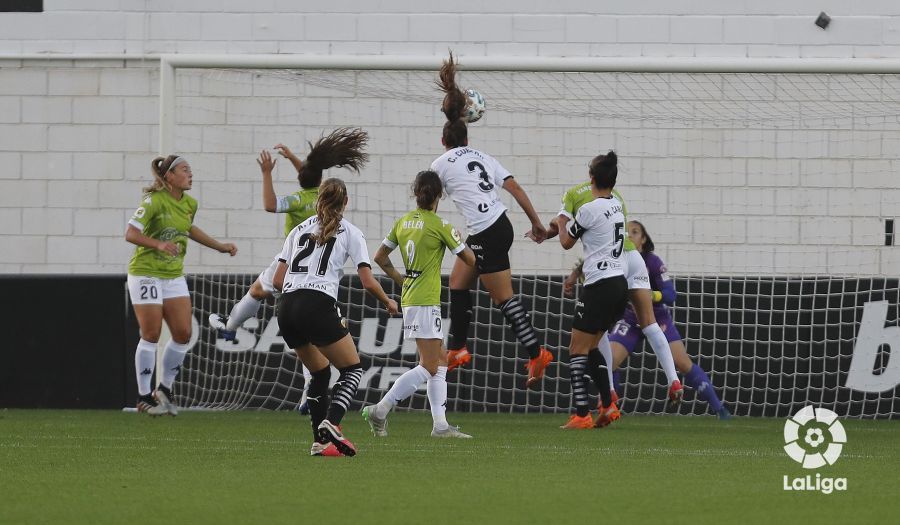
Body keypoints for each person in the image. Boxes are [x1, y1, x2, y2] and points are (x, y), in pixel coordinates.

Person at [209, 128, 369, 413]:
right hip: (321, 274)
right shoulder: (329, 202)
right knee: (314, 337)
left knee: (258, 292)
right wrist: (297, 159)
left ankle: (229, 326)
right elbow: (311, 178)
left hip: (292, 265)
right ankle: (309, 393)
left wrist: (267, 173)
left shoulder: (298, 200)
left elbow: (271, 205)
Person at [432, 52, 553, 388]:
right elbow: (515, 188)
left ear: (444, 142)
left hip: (486, 232)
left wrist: (431, 231)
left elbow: (429, 200)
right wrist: (538, 224)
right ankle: (457, 348)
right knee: (458, 282)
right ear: (467, 137)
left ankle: (536, 352)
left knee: (503, 298)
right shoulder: (484, 157)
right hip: (496, 226)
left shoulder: (439, 164)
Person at [274, 178, 399, 457]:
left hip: (286, 306)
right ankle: (332, 422)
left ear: (319, 199)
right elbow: (367, 282)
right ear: (346, 202)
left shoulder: (297, 230)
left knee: (319, 373)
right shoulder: (351, 232)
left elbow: (277, 279)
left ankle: (321, 443)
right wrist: (388, 301)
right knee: (352, 369)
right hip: (315, 304)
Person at [547, 169, 683, 428]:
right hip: (631, 259)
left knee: (591, 340)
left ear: (591, 176)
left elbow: (563, 229)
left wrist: (548, 231)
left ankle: (605, 396)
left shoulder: (575, 195)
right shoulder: (615, 197)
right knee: (648, 322)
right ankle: (672, 379)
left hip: (609, 268)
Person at [364, 170, 477, 439]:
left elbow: (380, 257)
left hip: (412, 296)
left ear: (416, 193)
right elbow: (470, 260)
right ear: (439, 195)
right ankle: (381, 408)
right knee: (428, 365)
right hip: (426, 301)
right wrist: (460, 238)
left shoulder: (402, 223)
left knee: (440, 360)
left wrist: (399, 279)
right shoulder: (440, 225)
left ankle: (440, 425)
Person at [126, 155, 237, 416]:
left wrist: (220, 247)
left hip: (173, 275)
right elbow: (130, 233)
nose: (191, 175)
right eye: (185, 170)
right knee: (151, 333)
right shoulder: (153, 201)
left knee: (183, 333)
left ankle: (164, 388)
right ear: (170, 177)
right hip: (146, 273)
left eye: (190, 170)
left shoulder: (189, 203)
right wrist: (158, 244)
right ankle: (144, 396)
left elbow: (189, 229)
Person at [603, 220, 732, 420]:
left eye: (635, 232)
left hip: (656, 318)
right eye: (626, 232)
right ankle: (610, 407)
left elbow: (671, 294)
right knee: (607, 360)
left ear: (644, 240)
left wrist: (649, 296)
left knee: (683, 363)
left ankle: (720, 409)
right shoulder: (617, 261)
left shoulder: (653, 262)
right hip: (630, 319)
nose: (629, 236)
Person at [556, 151, 629, 429]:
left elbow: (565, 242)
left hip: (599, 285)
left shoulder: (588, 209)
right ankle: (609, 406)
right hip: (619, 285)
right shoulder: (616, 205)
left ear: (592, 179)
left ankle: (581, 413)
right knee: (593, 346)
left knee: (576, 349)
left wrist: (562, 218)